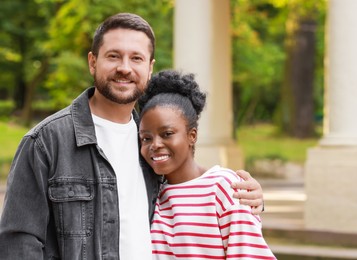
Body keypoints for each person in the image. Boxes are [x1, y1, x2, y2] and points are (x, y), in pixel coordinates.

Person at [0, 13, 264, 259]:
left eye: (136, 58)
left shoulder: (151, 144)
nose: (124, 68)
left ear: (149, 68)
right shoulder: (46, 142)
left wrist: (245, 198)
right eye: (113, 56)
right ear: (93, 62)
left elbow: (192, 189)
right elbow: (19, 240)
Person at [138, 70, 276, 259]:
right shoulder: (148, 193)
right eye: (146, 138)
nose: (155, 145)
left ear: (191, 135)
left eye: (167, 133)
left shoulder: (224, 187)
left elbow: (247, 253)